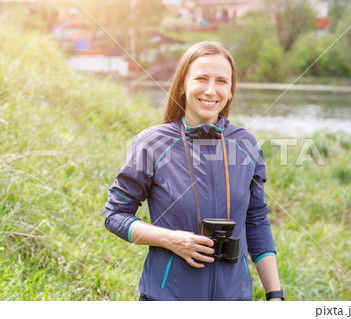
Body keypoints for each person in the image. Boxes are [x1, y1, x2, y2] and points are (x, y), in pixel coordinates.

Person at [104, 41, 284, 301]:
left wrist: (275, 295)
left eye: (222, 81)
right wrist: (170, 239)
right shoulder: (152, 144)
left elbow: (256, 222)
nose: (211, 90)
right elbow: (115, 215)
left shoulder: (246, 145)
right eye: (201, 78)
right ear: (182, 85)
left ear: (231, 90)